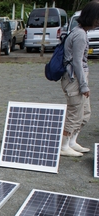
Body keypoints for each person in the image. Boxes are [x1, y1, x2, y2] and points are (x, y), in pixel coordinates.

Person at [60, 1, 99, 157]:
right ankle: (64, 145)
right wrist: (83, 85)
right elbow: (76, 61)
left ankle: (71, 141)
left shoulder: (79, 32)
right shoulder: (80, 35)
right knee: (74, 112)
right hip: (74, 79)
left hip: (78, 78)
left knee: (85, 112)